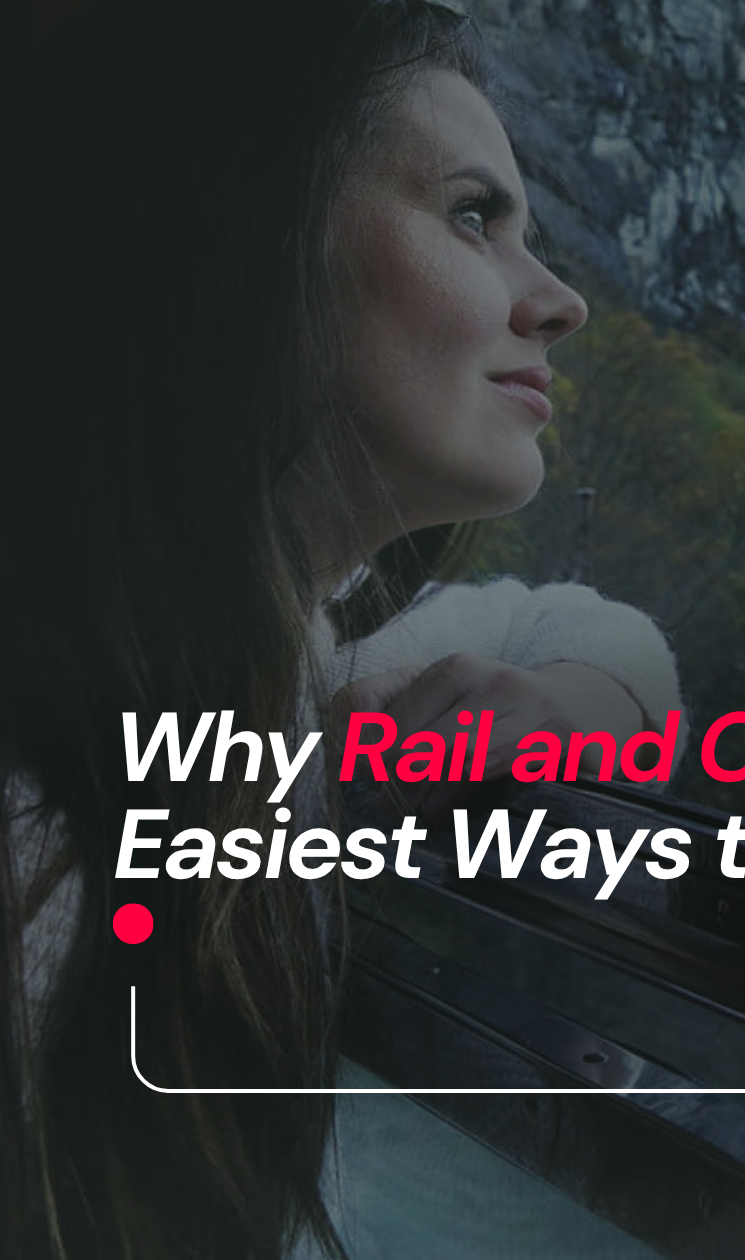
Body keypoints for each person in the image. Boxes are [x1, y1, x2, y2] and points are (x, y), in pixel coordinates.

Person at [0, 2, 678, 1255]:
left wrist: (571, 701)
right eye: (475, 217)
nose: (562, 301)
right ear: (243, 233)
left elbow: (571, 619)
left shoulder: (285, 676)